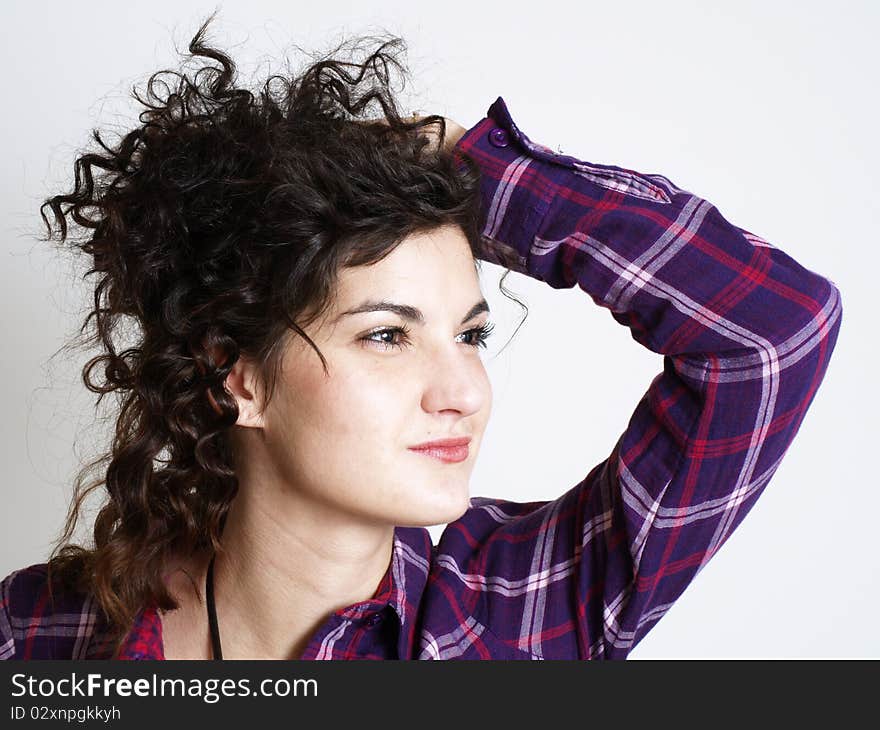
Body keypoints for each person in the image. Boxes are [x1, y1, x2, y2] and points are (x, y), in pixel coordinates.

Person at [0, 16, 842, 661]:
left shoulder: (513, 618)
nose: (465, 391)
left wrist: (466, 166)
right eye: (388, 337)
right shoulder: (38, 634)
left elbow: (771, 334)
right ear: (240, 379)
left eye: (470, 335)